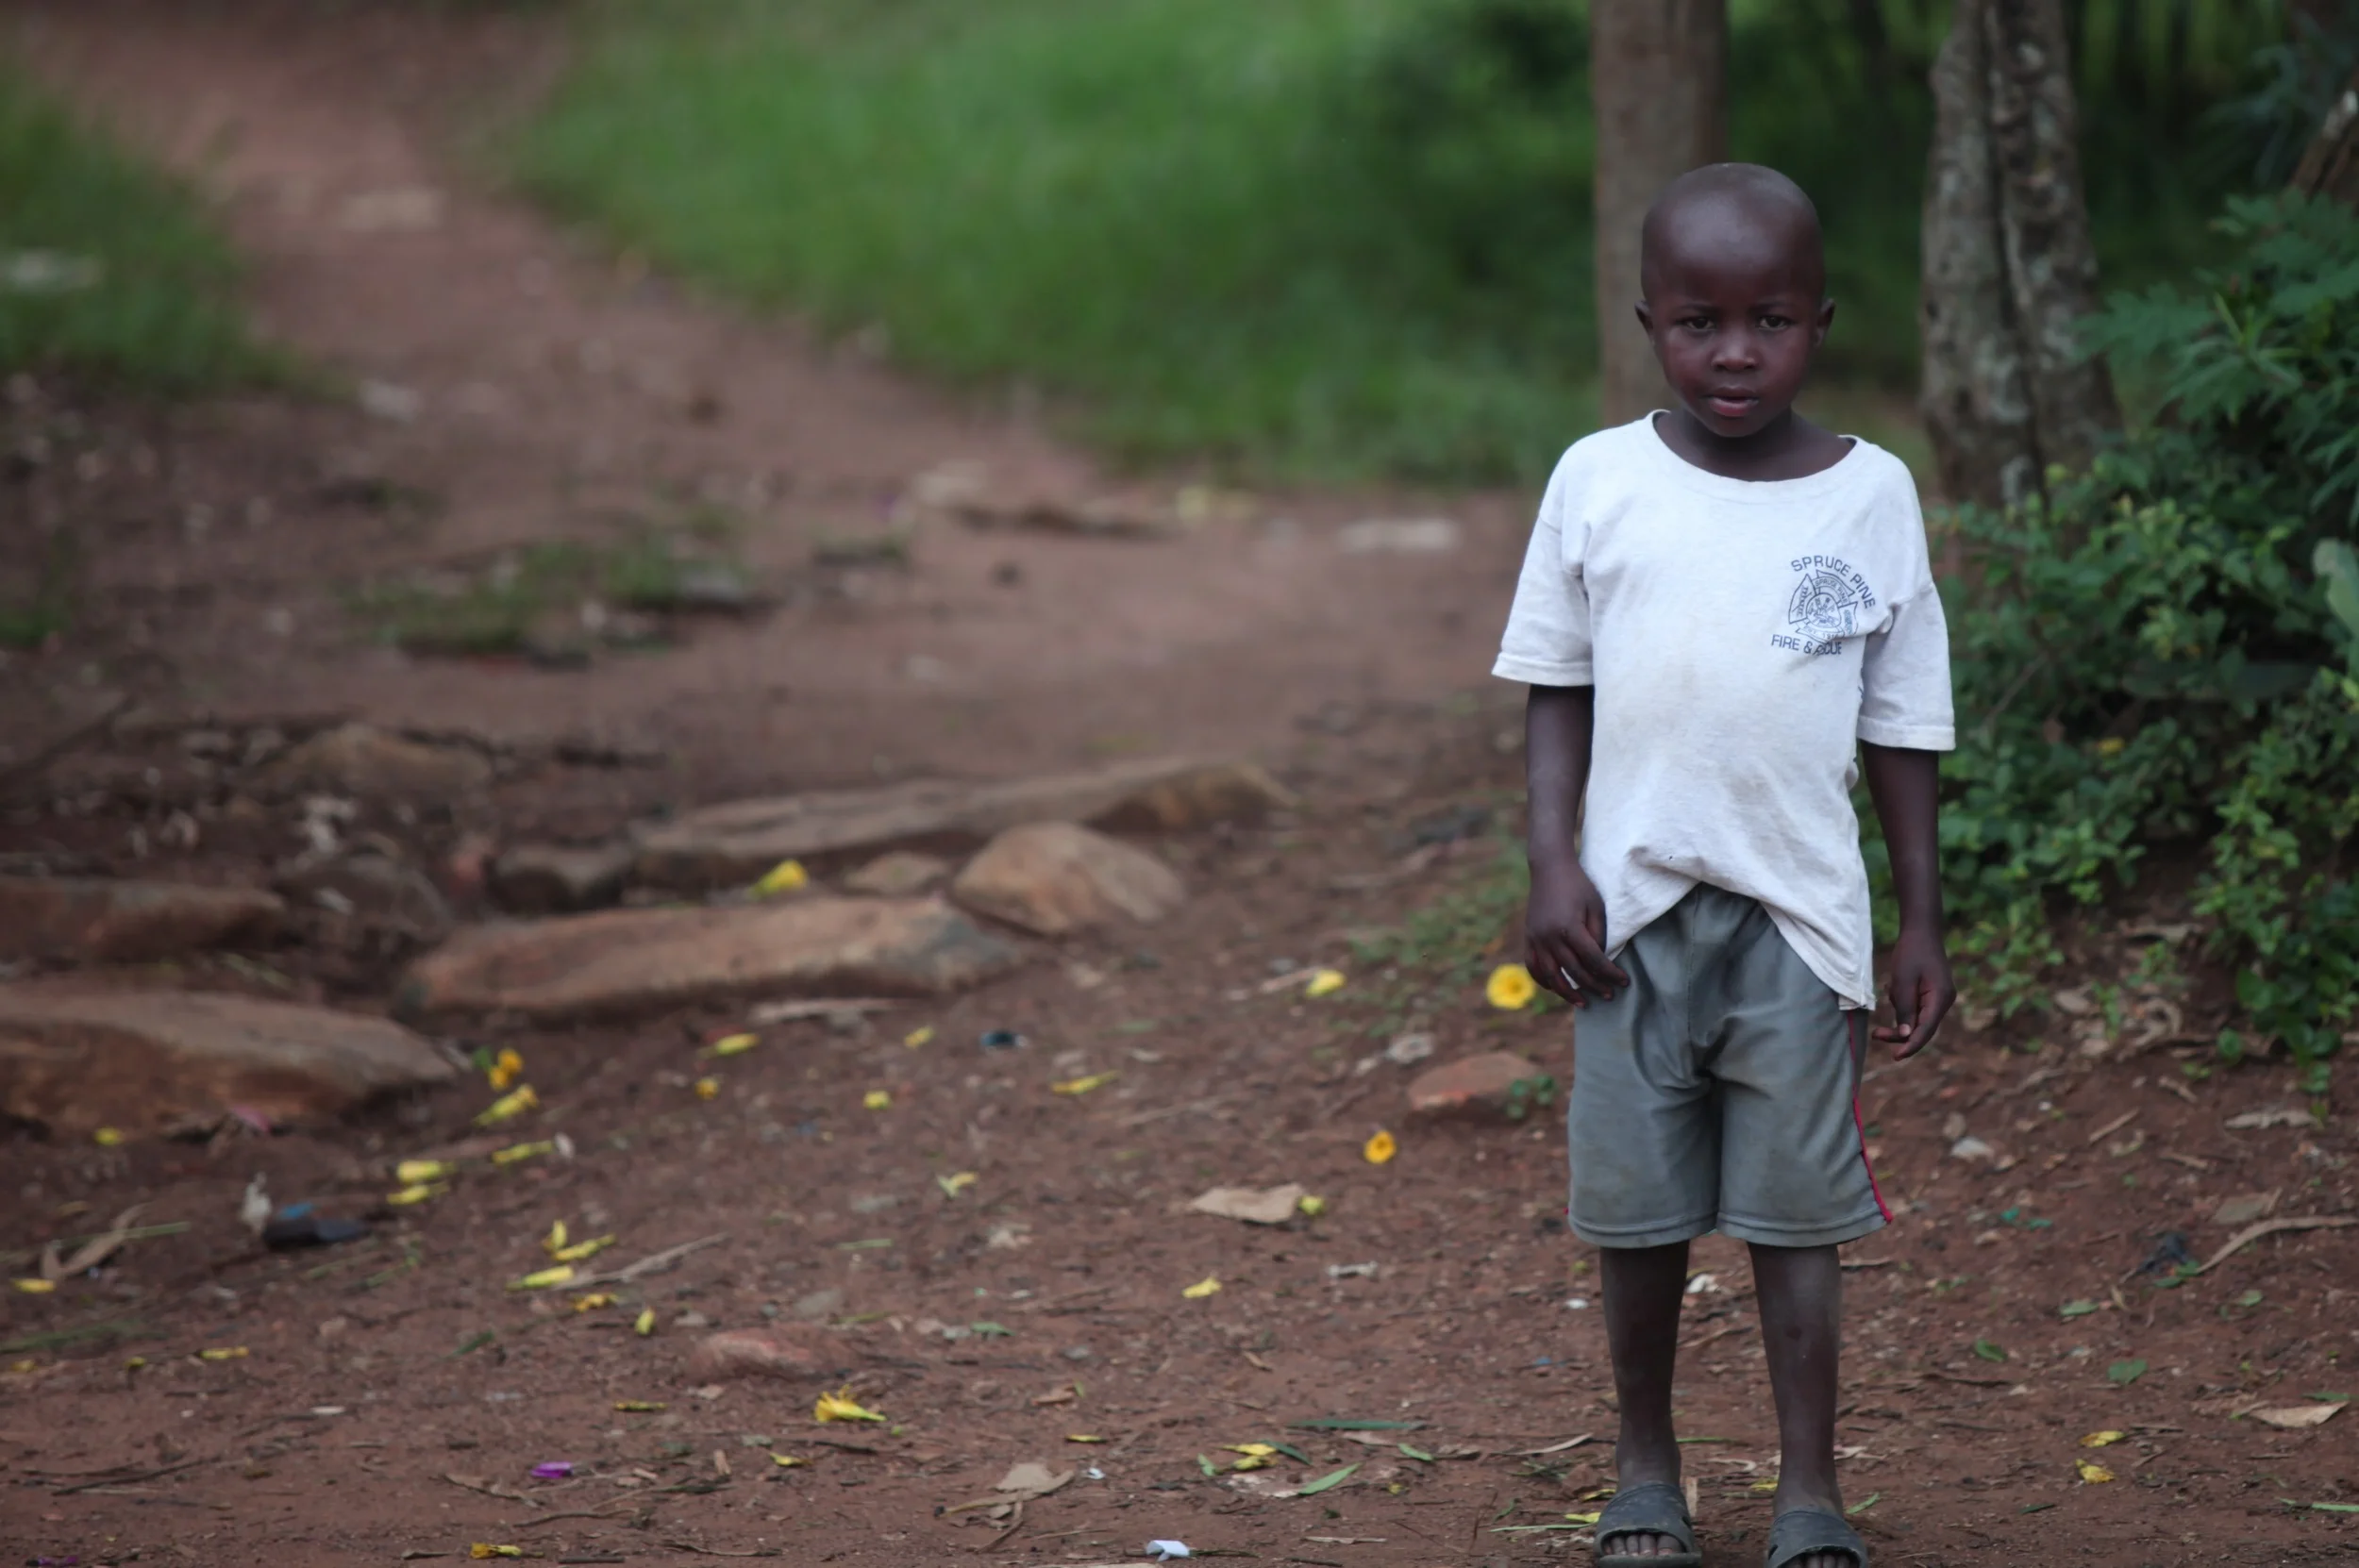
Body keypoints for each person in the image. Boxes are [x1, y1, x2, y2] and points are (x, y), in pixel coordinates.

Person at [1492, 163, 1956, 1568]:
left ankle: (1808, 1494)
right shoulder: (1598, 480)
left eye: (1769, 318)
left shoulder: (1872, 495)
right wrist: (1551, 859)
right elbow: (1556, 687)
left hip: (1802, 923)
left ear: (1823, 317)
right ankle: (1647, 1473)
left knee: (1795, 1218)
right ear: (1648, 321)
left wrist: (1919, 915)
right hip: (1628, 916)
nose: (1736, 350)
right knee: (1635, 1218)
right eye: (1700, 321)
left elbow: (1902, 724)